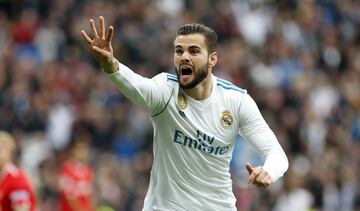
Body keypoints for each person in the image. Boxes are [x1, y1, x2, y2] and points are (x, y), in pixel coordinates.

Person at [81, 16, 289, 210]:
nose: (184, 57)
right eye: (179, 51)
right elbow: (135, 85)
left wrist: (268, 171)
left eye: (194, 51)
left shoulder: (236, 101)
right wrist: (110, 64)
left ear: (212, 59)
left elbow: (276, 154)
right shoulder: (165, 91)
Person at [0, 131, 37, 211]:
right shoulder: (3, 177)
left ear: (9, 152)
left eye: (0, 149)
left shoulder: (16, 178)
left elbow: (22, 209)